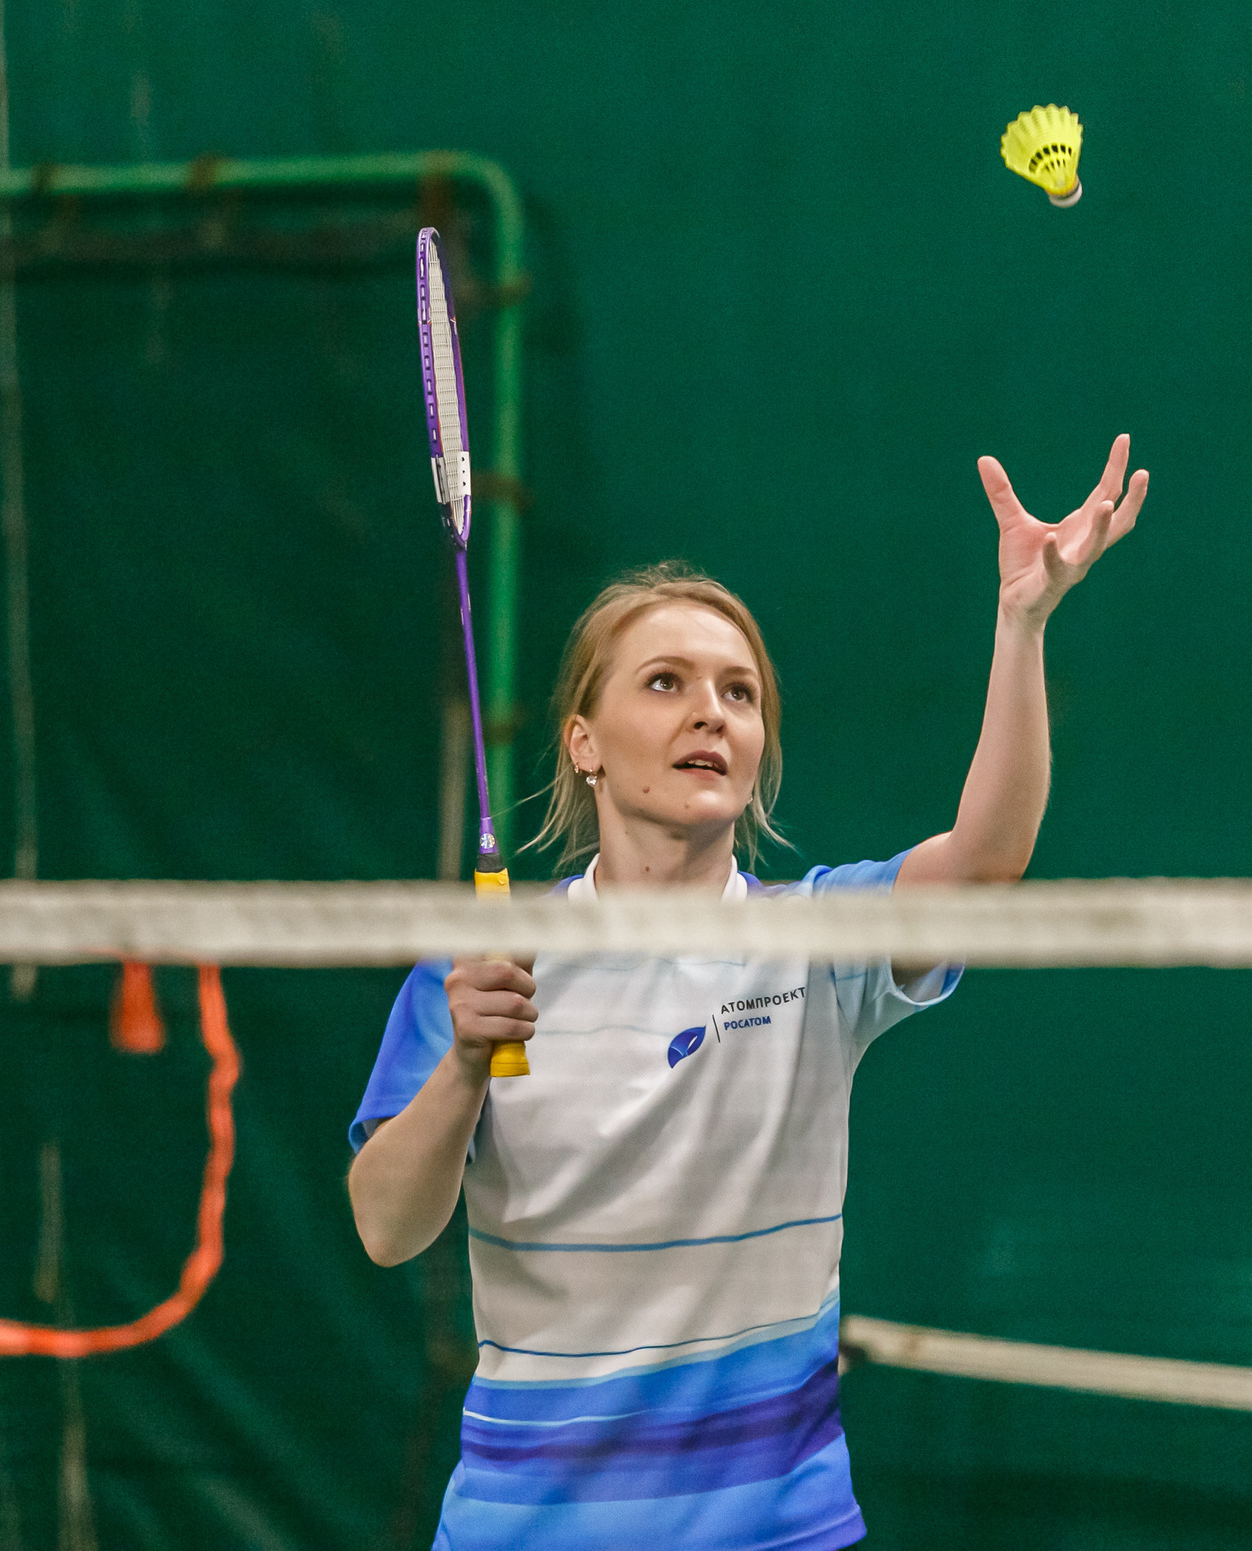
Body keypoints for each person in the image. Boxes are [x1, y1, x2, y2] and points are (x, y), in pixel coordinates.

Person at [348, 436, 1150, 1551]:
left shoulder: (813, 943)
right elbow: (387, 1228)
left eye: (739, 693)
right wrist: (463, 1066)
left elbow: (987, 857)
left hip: (779, 1531)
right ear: (582, 740)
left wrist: (1023, 625)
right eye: (665, 684)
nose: (710, 715)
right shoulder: (477, 966)